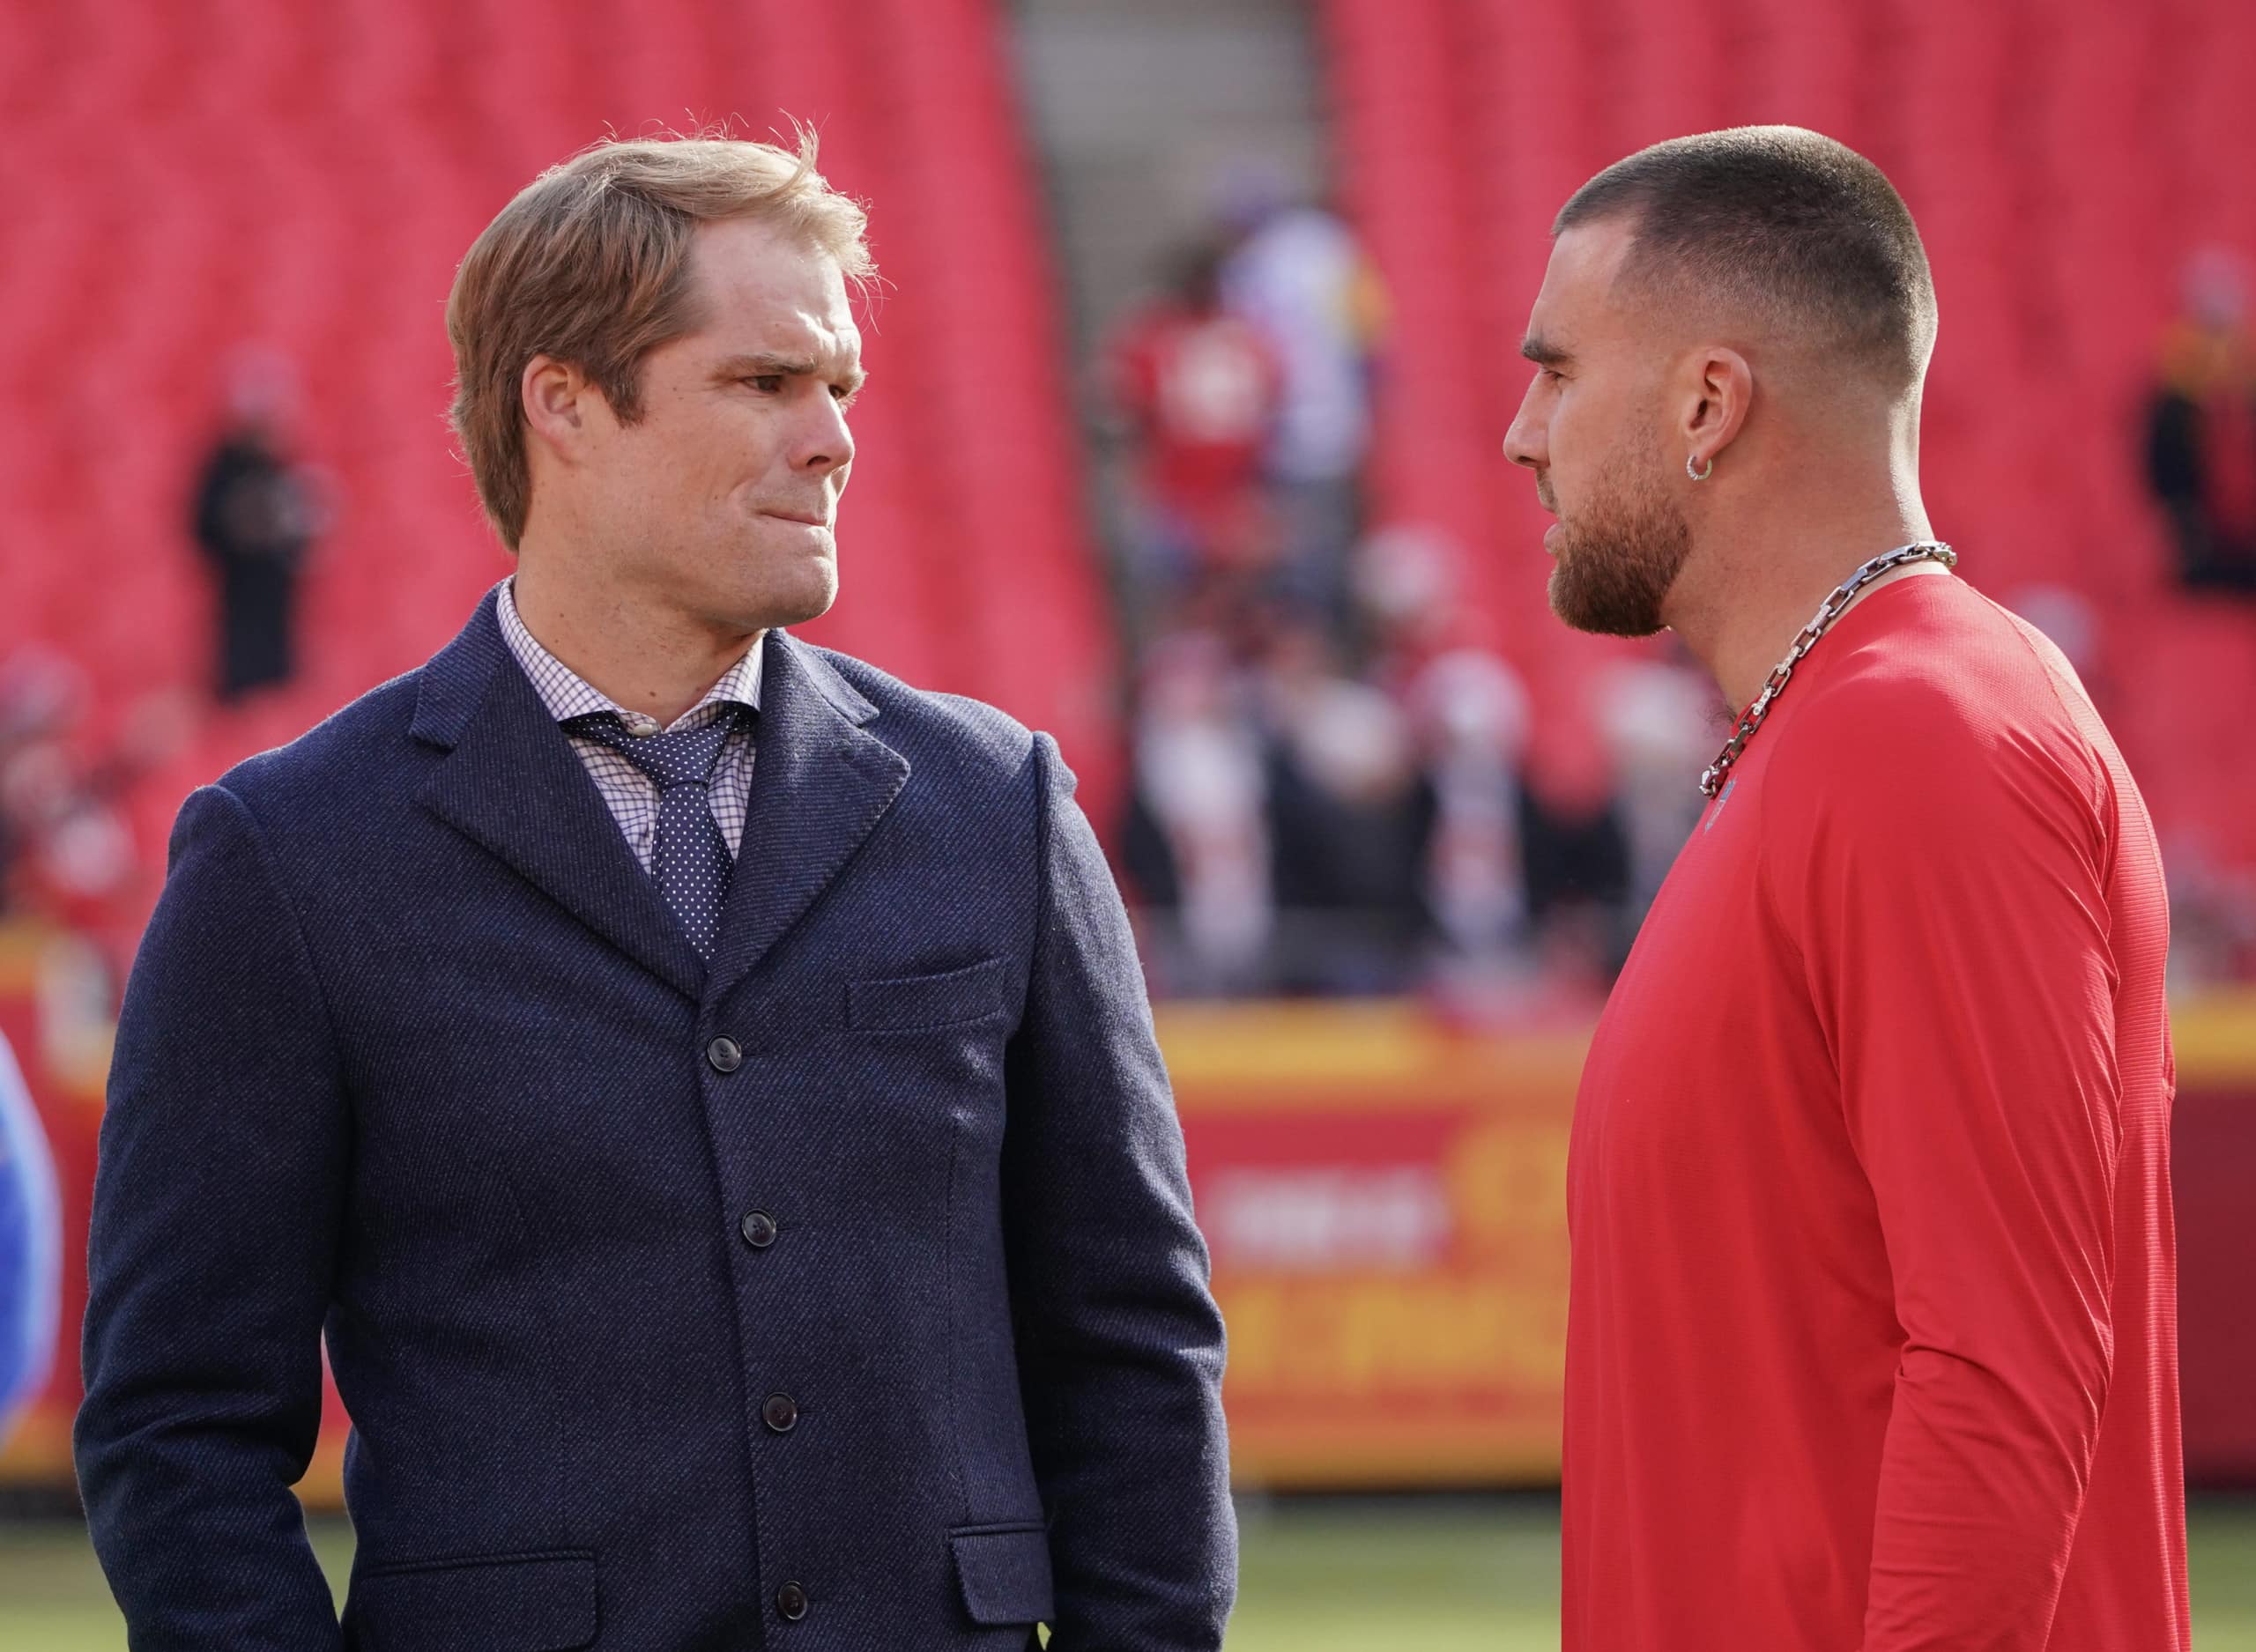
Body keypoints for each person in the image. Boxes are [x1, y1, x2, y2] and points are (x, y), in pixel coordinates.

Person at [77, 132, 1234, 1652]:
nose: (832, 440)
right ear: (561, 404)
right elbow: (179, 1425)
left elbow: (1133, 1349)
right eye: (766, 383)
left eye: (842, 390)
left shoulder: (994, 807)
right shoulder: (290, 857)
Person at [1502, 127, 2184, 1650]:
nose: (1520, 434)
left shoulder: (1921, 737)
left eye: (1556, 372)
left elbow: (2002, 1372)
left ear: (1705, 405)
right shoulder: (1829, 735)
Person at [190, 354, 323, 699]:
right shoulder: (221, 469)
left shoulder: (280, 468)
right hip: (239, 612)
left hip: (278, 612)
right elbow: (205, 530)